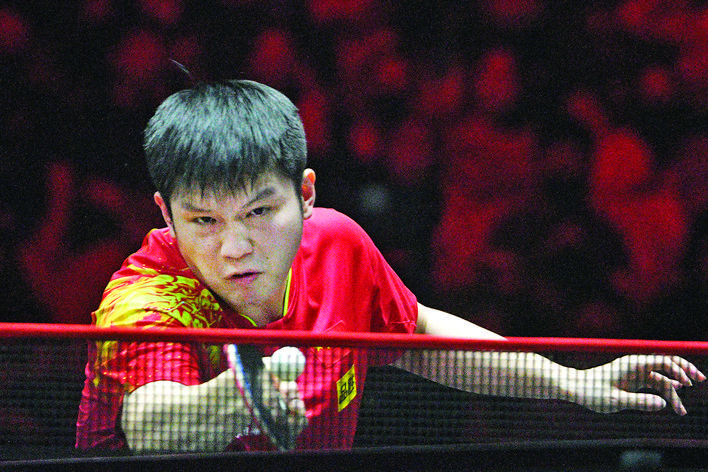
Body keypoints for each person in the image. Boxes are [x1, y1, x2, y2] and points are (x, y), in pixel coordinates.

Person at [76, 80, 705, 454]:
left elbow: (419, 335)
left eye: (259, 212)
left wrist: (573, 383)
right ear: (166, 214)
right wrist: (239, 398)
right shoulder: (144, 299)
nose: (235, 247)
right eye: (203, 221)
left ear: (306, 194)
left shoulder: (336, 245)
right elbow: (151, 422)